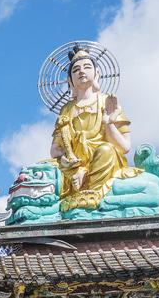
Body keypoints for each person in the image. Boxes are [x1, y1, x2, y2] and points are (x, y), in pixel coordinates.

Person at [50, 46, 140, 211]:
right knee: (42, 170)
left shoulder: (108, 102)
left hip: (103, 162)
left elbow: (125, 147)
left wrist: (109, 123)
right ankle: (78, 187)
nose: (81, 72)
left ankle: (93, 195)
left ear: (97, 73)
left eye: (87, 67)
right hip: (73, 167)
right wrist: (66, 161)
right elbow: (55, 149)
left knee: (106, 150)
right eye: (76, 70)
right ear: (70, 80)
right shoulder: (66, 110)